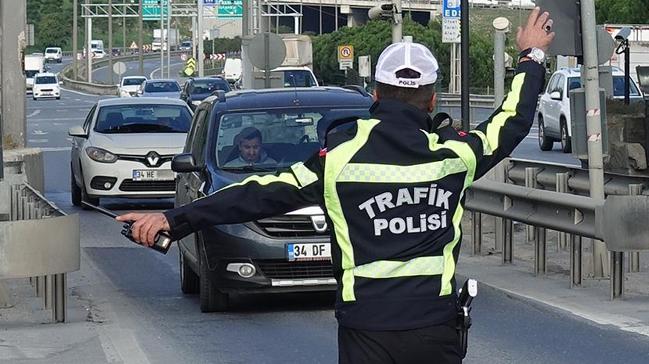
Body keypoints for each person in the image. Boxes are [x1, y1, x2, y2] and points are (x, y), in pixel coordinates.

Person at [117, 8, 554, 363]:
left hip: (366, 330)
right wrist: (531, 58)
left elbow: (257, 194)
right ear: (433, 99)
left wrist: (173, 220)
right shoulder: (455, 155)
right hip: (433, 329)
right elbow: (510, 122)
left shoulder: (338, 158)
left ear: (376, 95)